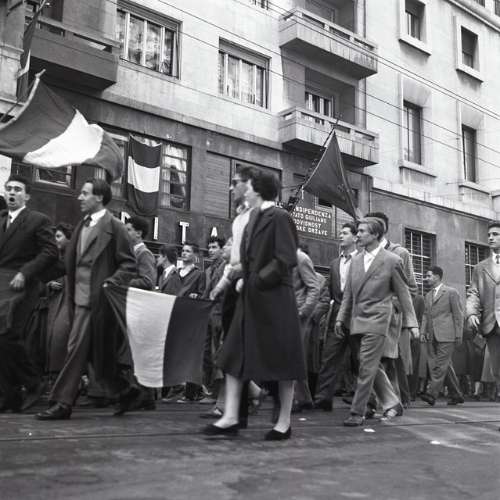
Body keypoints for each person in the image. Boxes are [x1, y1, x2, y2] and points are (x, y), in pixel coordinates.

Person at [204, 169, 305, 440]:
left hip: (275, 301)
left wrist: (257, 280)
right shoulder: (252, 219)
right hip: (251, 299)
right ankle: (230, 416)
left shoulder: (279, 217)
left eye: (248, 187)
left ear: (258, 190)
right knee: (232, 354)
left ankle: (284, 422)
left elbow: (285, 258)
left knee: (283, 362)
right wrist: (241, 279)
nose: (244, 191)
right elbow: (247, 260)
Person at [35, 178, 137, 420]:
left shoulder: (116, 227)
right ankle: (124, 392)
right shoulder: (82, 225)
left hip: (97, 302)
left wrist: (111, 281)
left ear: (99, 197)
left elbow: (129, 264)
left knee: (74, 349)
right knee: (98, 356)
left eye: (84, 193)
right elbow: (70, 263)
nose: (79, 197)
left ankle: (62, 402)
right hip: (77, 299)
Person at [336, 218, 419, 427]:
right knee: (370, 364)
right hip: (357, 320)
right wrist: (340, 318)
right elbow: (348, 295)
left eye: (362, 231)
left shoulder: (392, 260)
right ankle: (392, 402)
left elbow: (404, 294)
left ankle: (357, 412)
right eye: (357, 231)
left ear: (375, 235)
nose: (358, 235)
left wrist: (412, 323)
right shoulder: (355, 260)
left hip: (378, 320)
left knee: (366, 365)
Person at [0, 174, 58, 412]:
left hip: (23, 287)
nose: (12, 193)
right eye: (9, 189)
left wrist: (25, 272)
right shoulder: (1, 219)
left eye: (17, 189)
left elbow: (50, 251)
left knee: (7, 336)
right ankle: (10, 395)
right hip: (1, 286)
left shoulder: (38, 220)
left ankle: (33, 383)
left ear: (27, 196)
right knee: (3, 340)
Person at [366, 212, 418, 407]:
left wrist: (390, 304)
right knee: (372, 358)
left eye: (376, 224)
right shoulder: (364, 253)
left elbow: (411, 288)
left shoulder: (400, 253)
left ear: (383, 229)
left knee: (388, 359)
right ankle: (379, 401)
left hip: (390, 316)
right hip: (367, 315)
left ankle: (387, 401)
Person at [313, 222, 358, 412]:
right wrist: (316, 315)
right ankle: (322, 399)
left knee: (360, 361)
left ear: (355, 237)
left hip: (357, 317)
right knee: (329, 358)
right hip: (337, 318)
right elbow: (328, 294)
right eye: (340, 233)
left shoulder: (362, 260)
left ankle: (366, 401)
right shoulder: (334, 264)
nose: (341, 235)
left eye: (345, 233)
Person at [466, 221, 500, 430]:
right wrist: (471, 312)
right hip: (491, 326)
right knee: (498, 372)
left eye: (495, 234)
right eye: (489, 234)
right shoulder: (480, 267)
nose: (490, 238)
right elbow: (474, 293)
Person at [419, 266, 464, 406]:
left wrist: (458, 335)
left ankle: (432, 394)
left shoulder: (451, 292)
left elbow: (458, 315)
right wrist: (422, 332)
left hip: (447, 335)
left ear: (437, 277)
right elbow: (425, 315)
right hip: (432, 335)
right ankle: (457, 395)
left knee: (439, 365)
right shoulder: (428, 295)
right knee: (445, 366)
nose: (426, 278)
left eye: (429, 276)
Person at [292, 245, 321, 412]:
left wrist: (303, 312)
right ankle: (304, 398)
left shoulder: (301, 258)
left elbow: (314, 288)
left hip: (298, 314)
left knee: (293, 356)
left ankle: (298, 398)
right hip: (285, 313)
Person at [45, 223, 73, 376]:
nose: (55, 240)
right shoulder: (53, 257)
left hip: (68, 302)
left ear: (68, 238)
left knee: (60, 336)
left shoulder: (75, 257)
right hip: (54, 302)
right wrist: (49, 284)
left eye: (58, 236)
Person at [125, 216, 156, 291]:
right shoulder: (130, 252)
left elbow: (148, 282)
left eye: (128, 230)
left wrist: (123, 281)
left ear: (138, 233)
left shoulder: (144, 253)